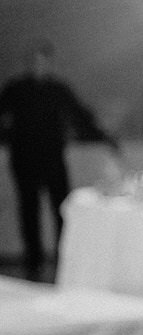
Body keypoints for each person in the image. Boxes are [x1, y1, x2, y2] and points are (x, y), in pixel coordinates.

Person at [0, 38, 118, 281]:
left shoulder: (58, 90)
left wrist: (103, 137)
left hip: (52, 158)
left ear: (50, 63)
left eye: (44, 62)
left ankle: (66, 258)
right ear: (29, 63)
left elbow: (80, 117)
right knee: (29, 211)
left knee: (61, 208)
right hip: (24, 158)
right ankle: (33, 263)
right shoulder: (16, 88)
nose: (40, 66)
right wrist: (7, 138)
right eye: (36, 61)